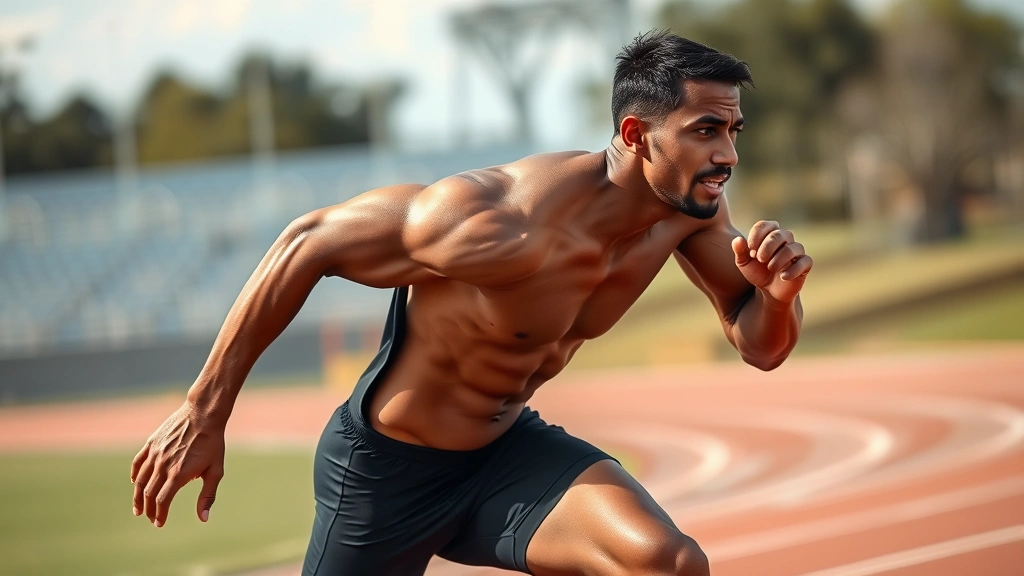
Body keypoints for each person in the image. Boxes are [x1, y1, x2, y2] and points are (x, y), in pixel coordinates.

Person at [130, 30, 812, 576]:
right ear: (636, 136)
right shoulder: (503, 222)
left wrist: (778, 295)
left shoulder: (689, 214)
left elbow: (760, 346)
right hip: (386, 473)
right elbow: (308, 240)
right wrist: (205, 409)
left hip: (504, 458)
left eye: (732, 133)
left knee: (667, 564)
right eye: (705, 131)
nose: (727, 155)